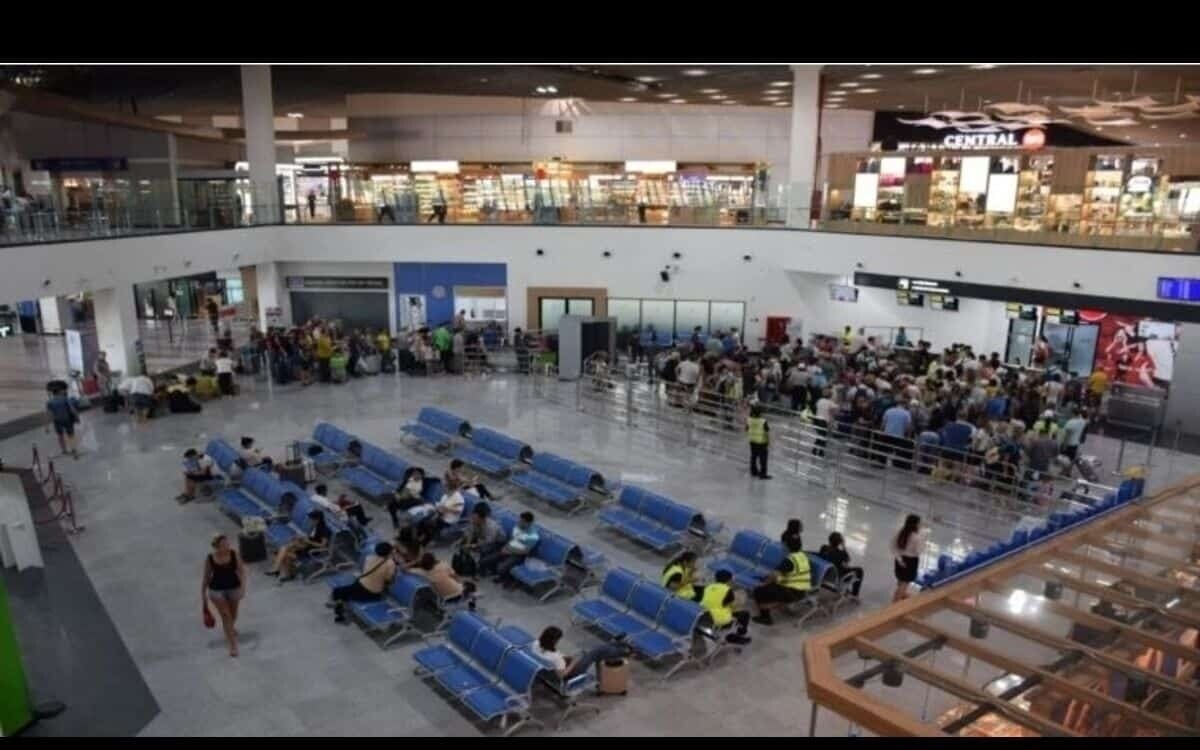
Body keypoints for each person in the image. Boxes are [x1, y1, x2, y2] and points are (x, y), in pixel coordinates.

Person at [329, 541, 396, 624]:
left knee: (338, 591)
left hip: (363, 587)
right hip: (372, 592)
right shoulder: (390, 564)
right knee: (343, 592)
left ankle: (340, 613)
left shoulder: (370, 557)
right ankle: (340, 609)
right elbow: (388, 579)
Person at [751, 535, 811, 626]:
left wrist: (763, 584)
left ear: (787, 546)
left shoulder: (790, 560)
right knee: (768, 585)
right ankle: (771, 606)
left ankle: (766, 618)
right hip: (802, 590)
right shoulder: (802, 555)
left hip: (792, 592)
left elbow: (774, 575)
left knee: (758, 591)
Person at [533, 626, 631, 681]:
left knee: (597, 652)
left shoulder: (536, 643)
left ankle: (616, 644)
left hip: (551, 671)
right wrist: (573, 662)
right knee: (598, 651)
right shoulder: (555, 657)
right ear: (554, 640)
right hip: (571, 673)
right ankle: (623, 650)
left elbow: (552, 659)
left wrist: (566, 658)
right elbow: (561, 676)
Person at [202, 534, 246, 657]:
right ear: (217, 547)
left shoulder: (233, 554)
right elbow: (206, 577)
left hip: (233, 587)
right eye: (223, 545)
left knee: (233, 614)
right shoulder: (210, 558)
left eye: (227, 543)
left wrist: (243, 588)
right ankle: (233, 645)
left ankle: (230, 628)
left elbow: (241, 571)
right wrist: (203, 595)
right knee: (226, 616)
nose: (227, 546)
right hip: (216, 590)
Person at [266, 510, 330, 582]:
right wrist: (301, 538)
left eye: (311, 519)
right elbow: (310, 538)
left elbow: (322, 545)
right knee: (285, 547)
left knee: (286, 553)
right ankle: (279, 570)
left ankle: (282, 572)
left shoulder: (325, 530)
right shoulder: (315, 527)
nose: (310, 521)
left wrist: (308, 541)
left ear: (317, 519)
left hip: (312, 551)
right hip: (306, 546)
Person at [481, 511, 539, 585]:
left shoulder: (533, 536)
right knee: (486, 560)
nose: (519, 522)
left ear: (528, 523)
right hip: (508, 549)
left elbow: (525, 551)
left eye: (522, 521)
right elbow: (512, 540)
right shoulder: (518, 527)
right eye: (520, 520)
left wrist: (510, 551)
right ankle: (495, 572)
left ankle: (507, 579)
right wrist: (505, 547)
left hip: (519, 555)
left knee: (501, 568)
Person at [701, 569, 752, 645]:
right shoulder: (727, 590)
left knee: (737, 612)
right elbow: (732, 607)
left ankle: (735, 633)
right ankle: (739, 634)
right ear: (729, 580)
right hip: (718, 619)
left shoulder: (708, 587)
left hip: (704, 616)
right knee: (745, 614)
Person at [407, 552, 476, 608]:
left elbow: (403, 568)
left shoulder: (421, 572)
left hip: (442, 598)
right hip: (458, 594)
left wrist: (415, 561)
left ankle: (469, 597)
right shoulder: (443, 565)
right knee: (471, 585)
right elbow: (456, 577)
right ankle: (472, 606)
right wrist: (462, 582)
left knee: (465, 584)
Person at [819, 532, 863, 598]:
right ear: (840, 542)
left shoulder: (824, 548)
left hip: (825, 575)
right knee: (860, 570)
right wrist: (843, 547)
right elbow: (848, 560)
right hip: (837, 577)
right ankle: (854, 594)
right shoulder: (840, 553)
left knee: (842, 567)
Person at [891, 514, 923, 602]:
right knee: (905, 583)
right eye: (919, 523)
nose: (920, 525)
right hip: (910, 562)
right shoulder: (916, 537)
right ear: (915, 525)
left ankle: (901, 594)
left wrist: (899, 559)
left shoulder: (900, 532)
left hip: (899, 560)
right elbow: (918, 552)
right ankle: (895, 603)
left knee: (901, 581)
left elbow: (893, 547)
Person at [45, 384, 80, 458]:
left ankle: (64, 450)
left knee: (60, 435)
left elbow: (48, 414)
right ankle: (74, 449)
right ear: (59, 392)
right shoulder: (65, 399)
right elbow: (72, 409)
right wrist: (77, 418)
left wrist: (47, 426)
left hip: (57, 421)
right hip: (67, 419)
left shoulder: (49, 402)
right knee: (70, 435)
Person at [746, 403, 772, 479]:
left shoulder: (749, 419)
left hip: (752, 441)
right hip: (762, 442)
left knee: (753, 456)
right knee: (763, 459)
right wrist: (769, 441)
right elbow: (767, 432)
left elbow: (746, 429)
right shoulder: (763, 421)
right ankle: (763, 474)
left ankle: (753, 471)